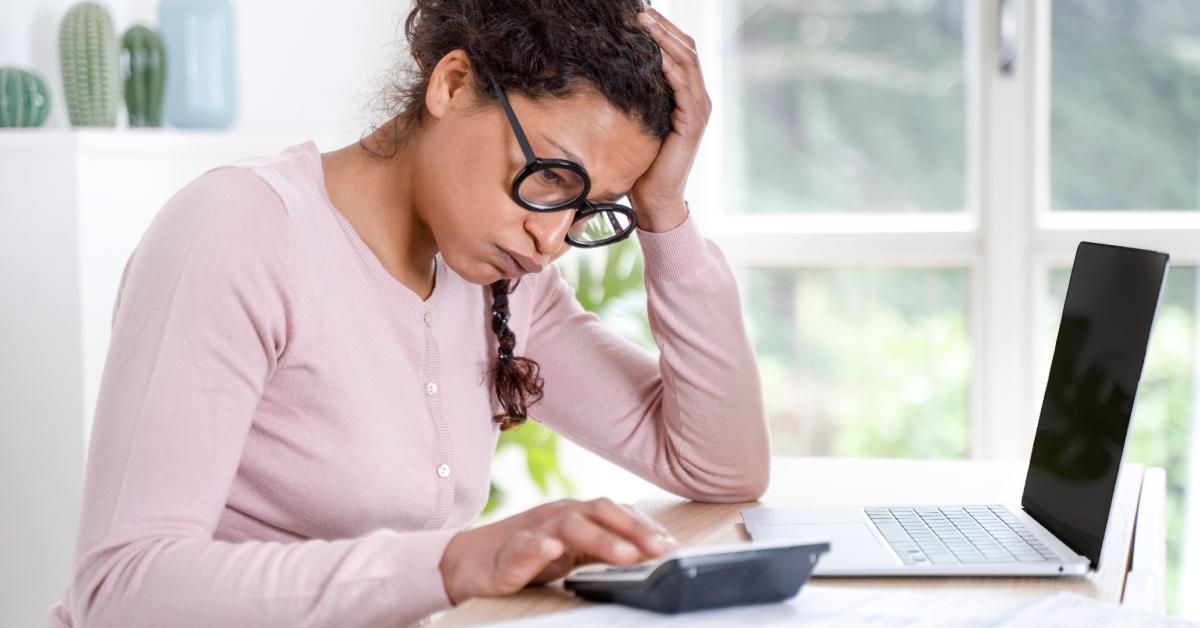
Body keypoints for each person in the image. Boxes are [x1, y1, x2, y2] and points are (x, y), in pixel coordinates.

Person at [46, 1, 769, 626]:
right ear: (453, 85)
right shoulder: (238, 229)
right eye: (550, 176)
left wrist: (663, 212)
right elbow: (122, 590)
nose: (552, 241)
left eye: (589, 209)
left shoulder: (503, 285)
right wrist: (453, 564)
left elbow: (720, 464)